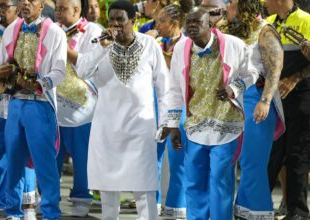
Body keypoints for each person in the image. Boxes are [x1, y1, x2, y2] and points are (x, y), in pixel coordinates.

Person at [71, 1, 169, 219]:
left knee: (144, 188)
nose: (115, 24)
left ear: (133, 21)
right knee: (108, 189)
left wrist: (165, 122)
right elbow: (82, 71)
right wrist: (100, 48)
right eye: (111, 19)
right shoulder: (101, 45)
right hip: (107, 129)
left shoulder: (149, 45)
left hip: (140, 128)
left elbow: (165, 88)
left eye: (120, 19)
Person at [165, 7, 258, 220]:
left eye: (197, 22)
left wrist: (233, 88)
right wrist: (172, 124)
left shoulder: (234, 44)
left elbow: (253, 71)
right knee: (194, 180)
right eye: (188, 22)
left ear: (210, 25)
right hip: (195, 124)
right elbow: (174, 88)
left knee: (220, 180)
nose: (191, 26)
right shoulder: (181, 48)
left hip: (227, 124)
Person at [0, 0, 67, 218]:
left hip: (40, 105)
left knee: (45, 165)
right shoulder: (13, 29)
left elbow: (60, 70)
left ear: (42, 5)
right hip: (15, 104)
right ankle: (13, 212)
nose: (25, 3)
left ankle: (51, 214)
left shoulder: (54, 32)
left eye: (31, 0)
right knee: (13, 161)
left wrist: (39, 85)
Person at [222, 0, 285, 219]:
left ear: (243, 6)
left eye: (230, 2)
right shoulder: (225, 28)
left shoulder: (264, 30)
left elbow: (275, 67)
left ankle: (256, 213)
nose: (226, 6)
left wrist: (266, 100)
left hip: (255, 98)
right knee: (227, 160)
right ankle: (233, 211)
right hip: (228, 100)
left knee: (252, 161)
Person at [0, 0, 38, 219]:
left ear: (16, 8)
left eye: (3, 6)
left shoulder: (30, 29)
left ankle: (27, 206)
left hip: (23, 99)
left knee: (24, 154)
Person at [55, 0, 101, 216]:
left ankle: (82, 200)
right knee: (51, 157)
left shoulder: (93, 30)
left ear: (76, 10)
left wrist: (62, 46)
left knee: (82, 160)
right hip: (53, 108)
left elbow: (90, 65)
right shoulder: (51, 29)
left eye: (62, 8)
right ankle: (49, 198)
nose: (57, 12)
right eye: (56, 8)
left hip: (83, 110)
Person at [265, 0, 310, 219]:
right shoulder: (267, 23)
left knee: (297, 156)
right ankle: (259, 208)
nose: (263, 2)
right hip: (273, 100)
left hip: (301, 98)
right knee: (270, 155)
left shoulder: (306, 20)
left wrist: (294, 79)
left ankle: (298, 213)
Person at [154, 0, 193, 217]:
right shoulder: (157, 43)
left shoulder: (187, 44)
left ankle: (178, 206)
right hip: (155, 105)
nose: (157, 25)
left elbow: (182, 76)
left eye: (162, 21)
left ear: (175, 23)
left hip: (178, 108)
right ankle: (154, 202)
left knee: (178, 161)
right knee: (153, 158)